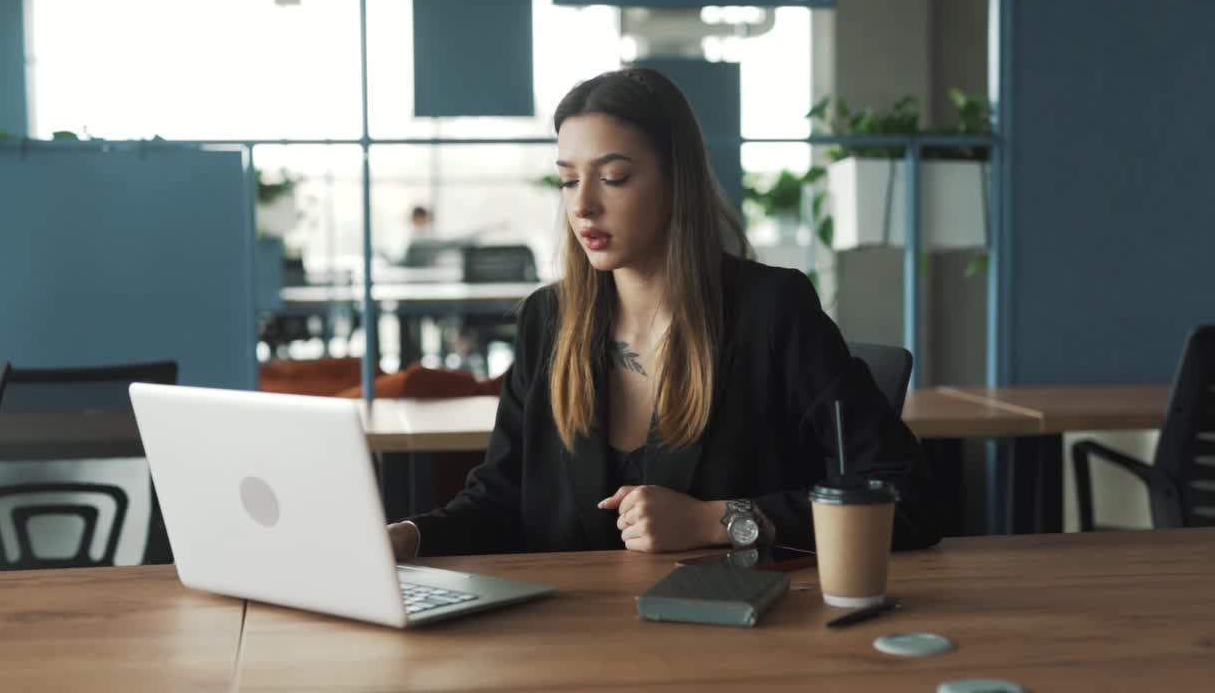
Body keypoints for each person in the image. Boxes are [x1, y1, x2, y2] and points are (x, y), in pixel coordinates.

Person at [386, 68, 940, 559]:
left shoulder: (772, 310)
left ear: (677, 180)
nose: (583, 205)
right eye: (569, 180)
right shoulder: (547, 320)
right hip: (572, 629)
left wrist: (715, 521)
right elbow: (500, 500)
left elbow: (906, 495)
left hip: (731, 626)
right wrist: (406, 536)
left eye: (613, 177)